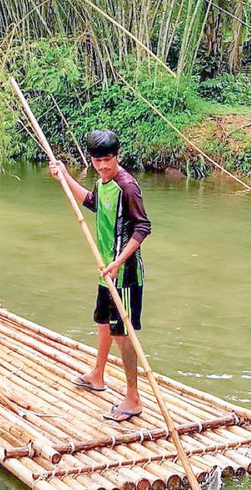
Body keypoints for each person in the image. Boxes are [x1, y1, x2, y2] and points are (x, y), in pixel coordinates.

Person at [50, 130, 151, 422]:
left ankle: (133, 397)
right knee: (103, 323)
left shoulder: (127, 187)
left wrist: (119, 262)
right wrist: (65, 178)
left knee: (123, 332)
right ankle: (97, 375)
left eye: (108, 160)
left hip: (125, 273)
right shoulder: (102, 181)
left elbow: (142, 228)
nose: (103, 166)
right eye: (97, 161)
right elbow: (94, 202)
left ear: (117, 156)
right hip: (104, 269)